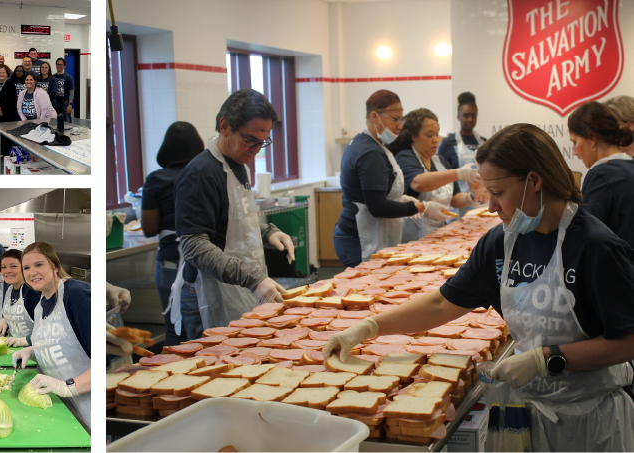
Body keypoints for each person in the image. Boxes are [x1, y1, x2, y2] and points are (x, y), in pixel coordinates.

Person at [324, 123, 634, 452]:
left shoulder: (595, 247)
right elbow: (441, 305)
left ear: (534, 181)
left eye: (498, 193)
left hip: (589, 420)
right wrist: (368, 327)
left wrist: (547, 359)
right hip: (525, 410)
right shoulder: (500, 244)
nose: (491, 207)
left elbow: (628, 340)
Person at [172, 88, 296, 336]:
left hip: (237, 287)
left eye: (263, 142)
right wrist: (252, 279)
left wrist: (268, 231)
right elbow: (194, 245)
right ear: (225, 126)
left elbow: (232, 222)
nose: (256, 149)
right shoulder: (201, 173)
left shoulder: (239, 165)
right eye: (250, 140)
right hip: (207, 292)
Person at [335, 90, 440, 267]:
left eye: (401, 119)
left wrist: (404, 200)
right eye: (395, 119)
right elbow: (378, 206)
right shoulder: (370, 152)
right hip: (359, 237)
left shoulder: (375, 146)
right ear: (374, 116)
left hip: (366, 232)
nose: (400, 125)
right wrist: (422, 207)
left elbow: (385, 194)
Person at [12, 242, 91, 429]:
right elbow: (62, 341)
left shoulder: (76, 295)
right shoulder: (41, 305)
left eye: (39, 264)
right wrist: (31, 350)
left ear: (54, 266)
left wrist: (67, 386)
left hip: (88, 413)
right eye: (27, 268)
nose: (32, 272)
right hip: (60, 408)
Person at [142, 121, 204, 345]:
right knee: (206, 327)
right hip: (206, 259)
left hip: (171, 259)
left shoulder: (156, 179)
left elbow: (149, 229)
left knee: (175, 330)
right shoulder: (205, 175)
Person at [392, 108, 481, 242]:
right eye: (429, 135)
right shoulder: (405, 157)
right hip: (412, 237)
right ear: (414, 136)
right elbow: (418, 183)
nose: (435, 140)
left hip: (437, 235)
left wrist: (472, 197)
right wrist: (459, 173)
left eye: (436, 134)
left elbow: (454, 199)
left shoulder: (440, 161)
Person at [569, 101, 634, 249]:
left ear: (592, 138)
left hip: (616, 269)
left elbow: (584, 234)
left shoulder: (601, 175)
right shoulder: (629, 169)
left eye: (575, 142)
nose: (574, 152)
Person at [438, 92, 490, 212]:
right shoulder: (447, 143)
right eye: (466, 116)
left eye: (473, 115)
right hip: (458, 203)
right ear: (458, 116)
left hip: (484, 203)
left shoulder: (485, 142)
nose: (470, 119)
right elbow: (441, 174)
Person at [0, 249, 39, 348]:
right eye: (3, 267)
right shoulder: (10, 290)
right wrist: (5, 319)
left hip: (35, 351)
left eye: (13, 266)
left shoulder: (32, 291)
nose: (8, 271)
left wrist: (24, 340)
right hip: (15, 349)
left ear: (24, 268)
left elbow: (48, 328)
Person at [53, 58, 75, 123]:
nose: (59, 66)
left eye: (61, 65)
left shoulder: (68, 77)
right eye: (58, 64)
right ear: (56, 65)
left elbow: (71, 91)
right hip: (54, 103)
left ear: (64, 66)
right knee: (54, 123)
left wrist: (70, 104)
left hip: (64, 104)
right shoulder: (53, 77)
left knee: (67, 123)